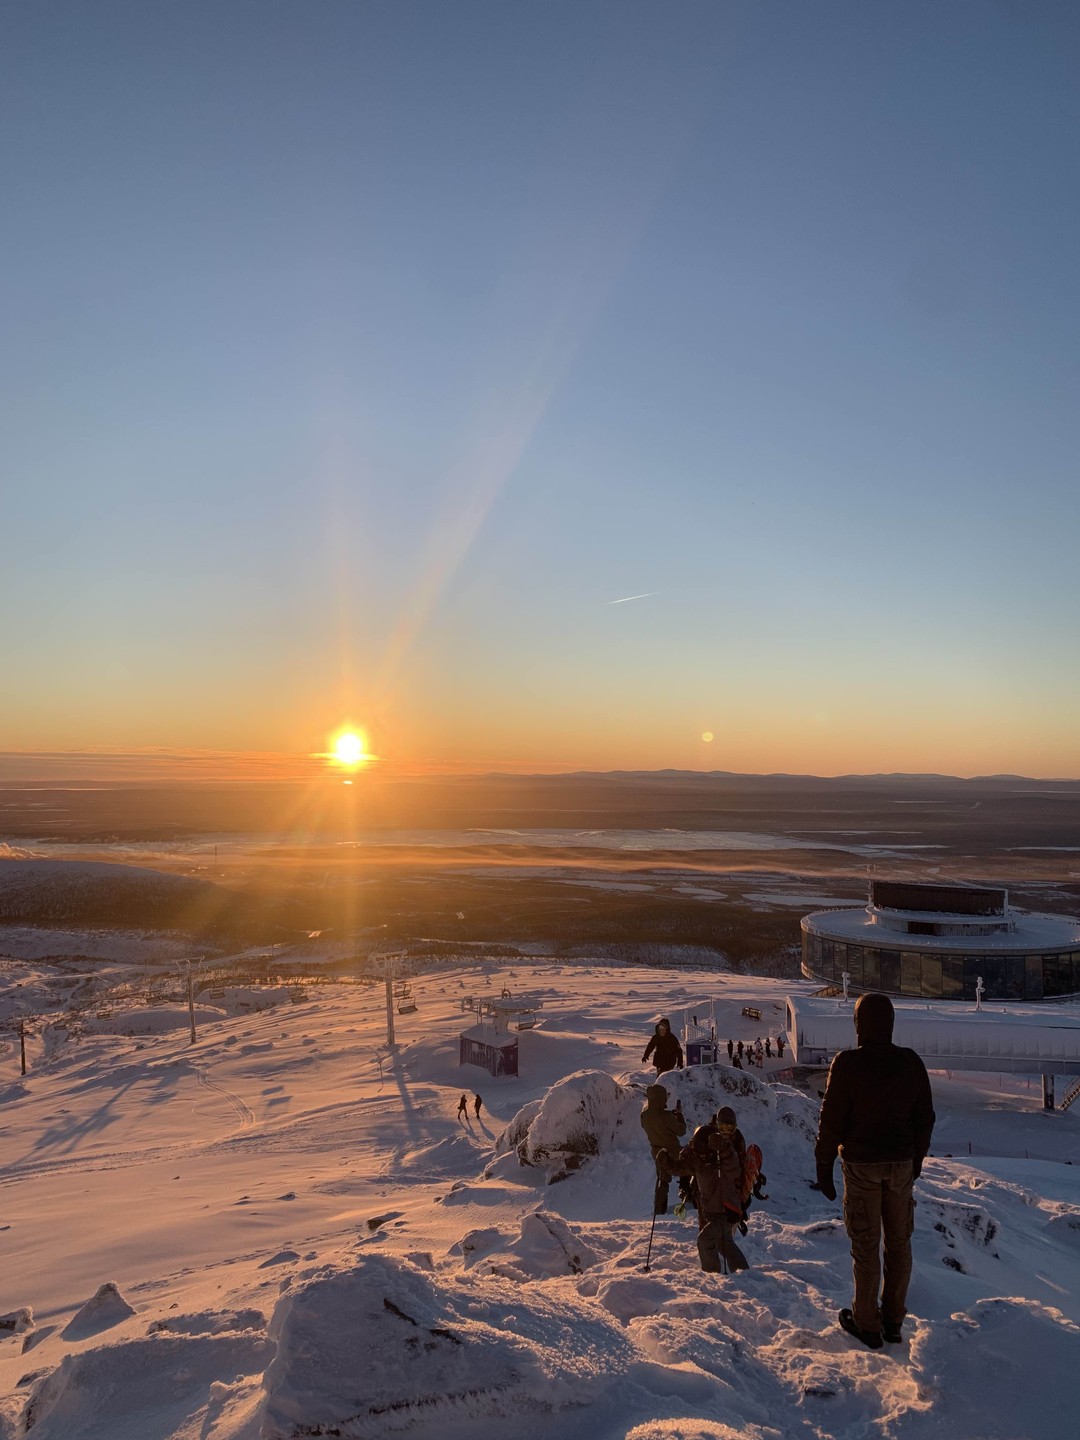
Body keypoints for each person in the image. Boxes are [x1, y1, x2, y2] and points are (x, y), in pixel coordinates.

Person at [815, 992, 935, 1350]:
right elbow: (924, 1118)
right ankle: (893, 1320)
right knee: (899, 1244)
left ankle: (868, 1324)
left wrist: (824, 1164)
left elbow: (831, 1120)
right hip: (900, 1165)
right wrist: (917, 1161)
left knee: (866, 1246)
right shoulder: (910, 1062)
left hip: (862, 1165)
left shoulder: (847, 1064)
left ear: (858, 1025)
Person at [675, 1117, 748, 1274]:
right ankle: (737, 1272)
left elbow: (734, 1165)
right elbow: (687, 1161)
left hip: (725, 1207)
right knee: (720, 1240)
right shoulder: (705, 1140)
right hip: (710, 1201)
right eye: (723, 1126)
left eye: (730, 1127)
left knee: (709, 1240)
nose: (726, 1131)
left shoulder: (728, 1147)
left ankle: (714, 1273)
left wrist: (722, 1148)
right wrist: (672, 1169)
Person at [640, 1083, 687, 1215]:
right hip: (674, 1151)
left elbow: (656, 1118)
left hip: (657, 1152)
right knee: (688, 1169)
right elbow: (681, 1131)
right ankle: (687, 1197)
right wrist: (679, 1116)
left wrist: (669, 1115)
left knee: (662, 1180)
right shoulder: (668, 1117)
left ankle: (659, 1209)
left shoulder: (645, 1116)